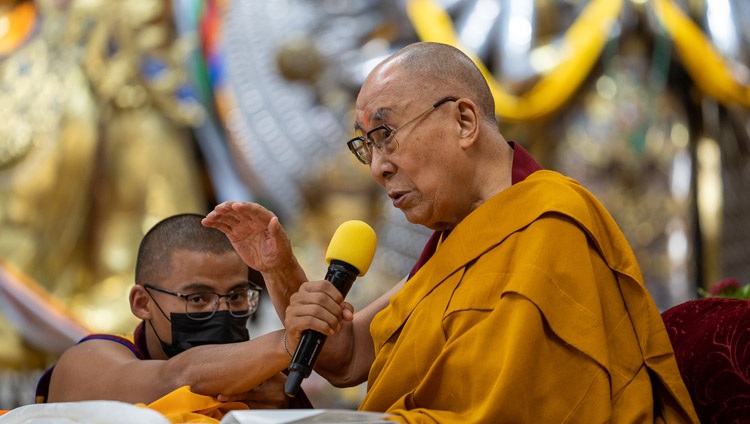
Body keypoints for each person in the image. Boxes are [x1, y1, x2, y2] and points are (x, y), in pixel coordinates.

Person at [203, 42, 699, 422]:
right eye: (366, 146)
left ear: (464, 121)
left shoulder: (551, 222)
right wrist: (278, 268)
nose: (377, 167)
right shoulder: (457, 242)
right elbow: (349, 355)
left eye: (385, 135)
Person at [35, 213, 312, 412]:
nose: (224, 311)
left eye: (237, 296)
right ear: (142, 303)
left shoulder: (263, 377)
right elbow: (177, 378)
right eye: (198, 298)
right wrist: (286, 343)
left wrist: (281, 407)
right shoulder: (87, 361)